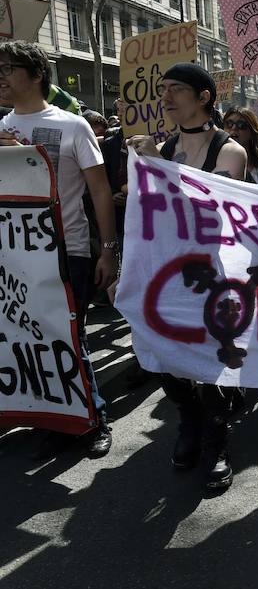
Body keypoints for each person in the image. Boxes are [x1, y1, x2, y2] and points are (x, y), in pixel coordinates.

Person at [127, 62, 247, 491]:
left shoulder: (229, 150)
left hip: (213, 275)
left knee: (213, 358)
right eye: (165, 90)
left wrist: (158, 165)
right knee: (162, 351)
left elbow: (208, 211)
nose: (167, 97)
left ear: (204, 97)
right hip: (167, 274)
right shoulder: (164, 146)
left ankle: (216, 443)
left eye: (177, 89)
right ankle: (189, 422)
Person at [0, 40, 117, 458]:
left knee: (69, 334)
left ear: (36, 76)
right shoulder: (0, 127)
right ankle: (49, 414)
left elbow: (100, 190)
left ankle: (93, 419)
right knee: (24, 338)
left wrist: (108, 250)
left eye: (8, 68)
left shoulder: (72, 125)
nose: (1, 77)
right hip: (13, 254)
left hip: (69, 252)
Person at [223, 106, 258, 184]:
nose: (234, 128)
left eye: (241, 125)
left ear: (252, 133)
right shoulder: (212, 166)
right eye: (229, 123)